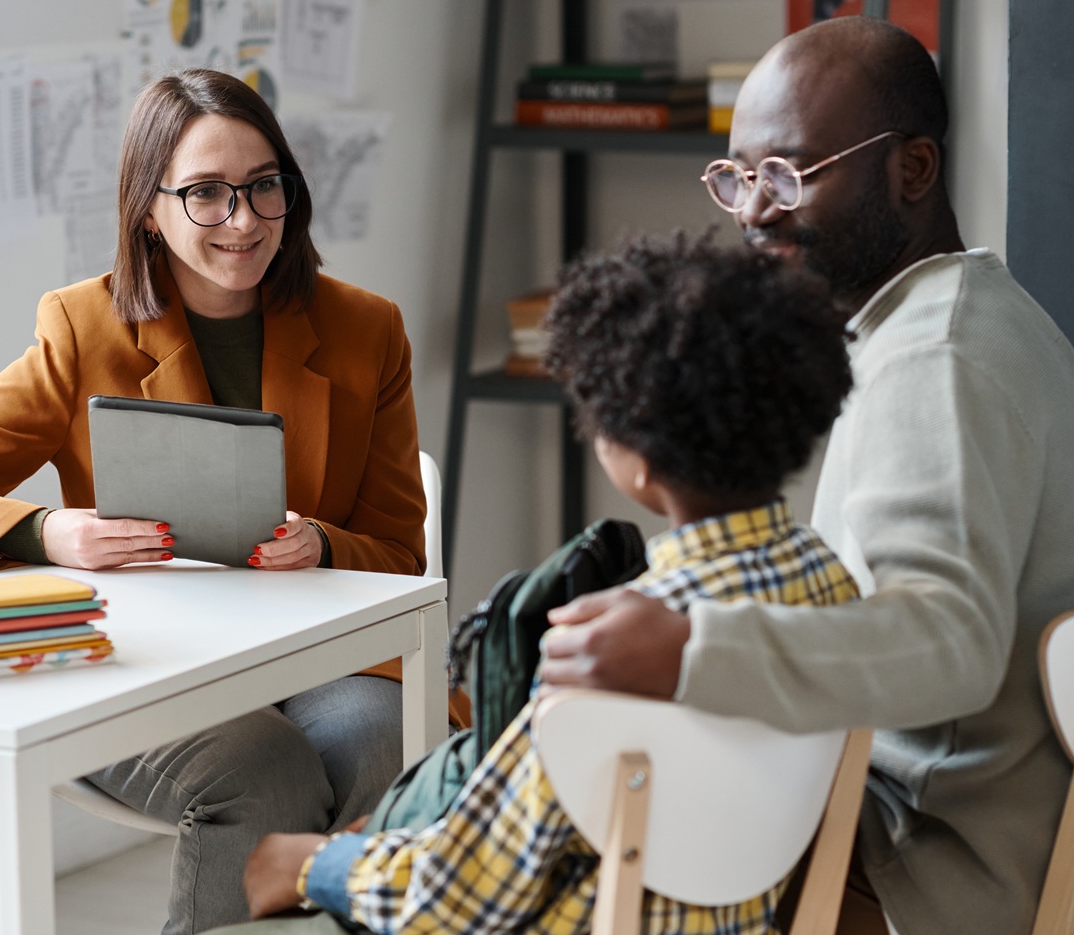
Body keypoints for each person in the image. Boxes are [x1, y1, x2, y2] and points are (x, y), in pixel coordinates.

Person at [537, 17, 1074, 935]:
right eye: (737, 176)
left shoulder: (933, 361)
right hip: (1000, 833)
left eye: (789, 174)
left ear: (914, 171)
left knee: (594, 793)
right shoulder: (976, 311)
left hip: (934, 865)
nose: (750, 210)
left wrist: (691, 648)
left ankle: (369, 872)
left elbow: (949, 642)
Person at [0, 68, 449, 935]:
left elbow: (398, 551)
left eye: (263, 188)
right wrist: (47, 532)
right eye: (205, 194)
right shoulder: (81, 328)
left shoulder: (366, 330)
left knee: (379, 740)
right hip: (145, 663)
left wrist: (322, 543)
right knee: (259, 768)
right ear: (148, 209)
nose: (242, 221)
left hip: (321, 662)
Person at [229, 232, 863, 934]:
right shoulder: (832, 588)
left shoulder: (614, 650)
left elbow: (456, 900)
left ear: (638, 459)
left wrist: (312, 864)